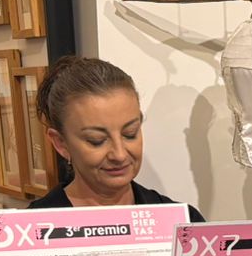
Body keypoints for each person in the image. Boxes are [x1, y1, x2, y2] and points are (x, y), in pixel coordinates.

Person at [28, 56, 203, 222]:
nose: (119, 155)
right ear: (60, 143)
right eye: (96, 140)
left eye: (130, 134)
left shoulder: (183, 223)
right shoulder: (31, 230)